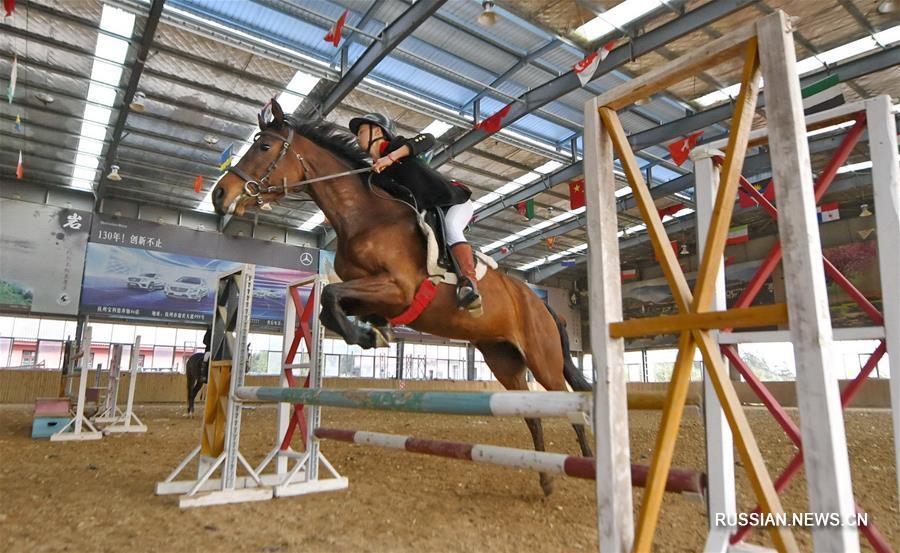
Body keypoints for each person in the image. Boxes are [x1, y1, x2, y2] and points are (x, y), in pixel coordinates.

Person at [349, 113, 481, 314]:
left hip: (453, 201)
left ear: (377, 131)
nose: (357, 137)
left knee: (451, 227)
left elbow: (428, 139)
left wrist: (391, 157)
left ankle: (469, 283)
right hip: (428, 211)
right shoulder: (375, 174)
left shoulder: (396, 147)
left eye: (360, 131)